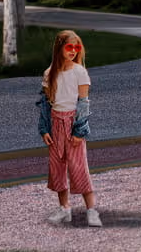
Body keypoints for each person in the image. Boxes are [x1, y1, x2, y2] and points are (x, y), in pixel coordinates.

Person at [40, 29, 99, 227]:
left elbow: (83, 103)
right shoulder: (50, 74)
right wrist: (44, 129)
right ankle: (65, 208)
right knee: (57, 168)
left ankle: (91, 210)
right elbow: (46, 104)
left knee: (78, 167)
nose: (73, 51)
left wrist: (79, 130)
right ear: (59, 48)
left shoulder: (80, 72)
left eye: (76, 47)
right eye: (69, 47)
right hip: (56, 124)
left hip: (73, 123)